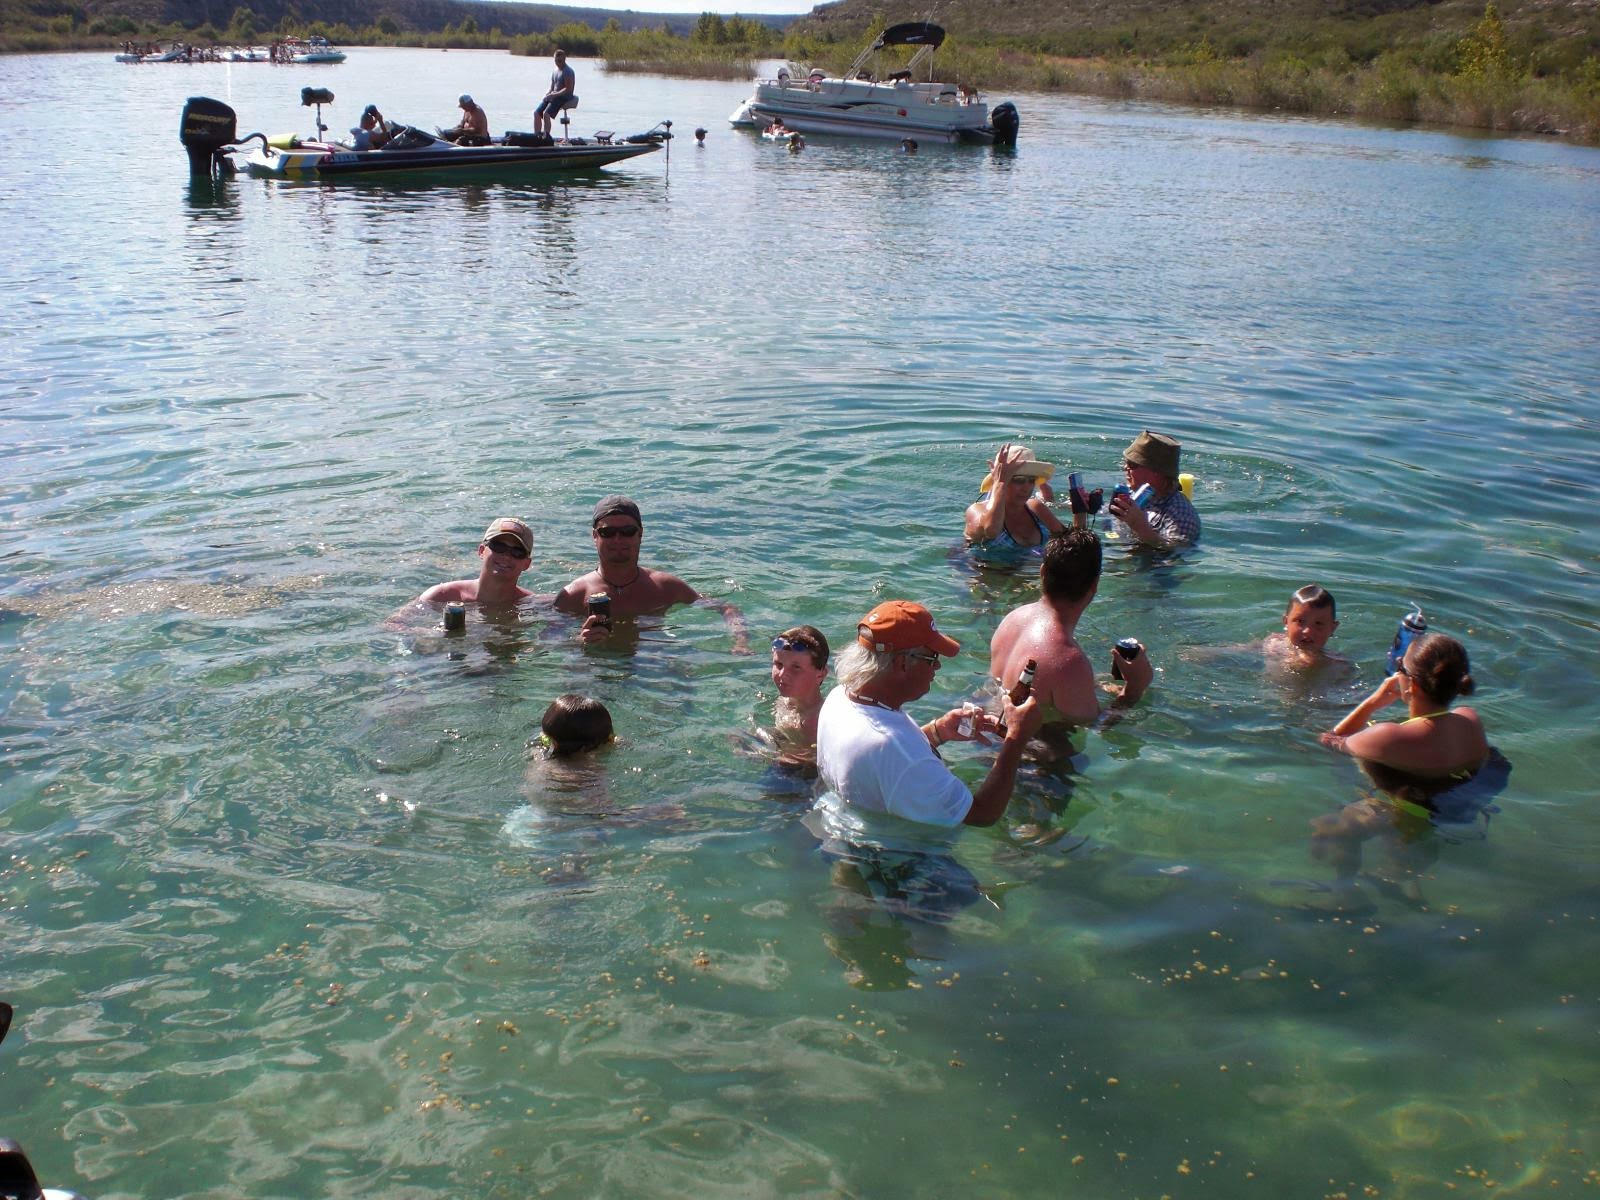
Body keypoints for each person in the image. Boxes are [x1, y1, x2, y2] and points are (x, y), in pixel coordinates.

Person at [815, 601, 1041, 828]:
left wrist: (937, 732)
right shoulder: (894, 748)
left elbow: (881, 765)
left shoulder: (840, 698)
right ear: (903, 663)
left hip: (841, 827)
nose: (938, 667)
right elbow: (982, 815)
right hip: (896, 856)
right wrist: (1016, 739)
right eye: (932, 658)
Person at [988, 528, 1153, 729]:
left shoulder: (1013, 619)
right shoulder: (1067, 661)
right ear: (1095, 584)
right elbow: (1096, 727)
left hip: (989, 727)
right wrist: (1134, 689)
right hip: (1028, 753)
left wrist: (1092, 685)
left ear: (1042, 573)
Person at [553, 495, 748, 651]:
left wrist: (740, 642)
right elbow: (548, 642)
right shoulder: (574, 595)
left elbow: (727, 609)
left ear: (640, 533)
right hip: (597, 666)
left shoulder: (665, 587)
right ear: (595, 536)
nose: (618, 539)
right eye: (608, 532)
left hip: (653, 662)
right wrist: (579, 641)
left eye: (628, 531)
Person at [1319, 633, 1487, 780]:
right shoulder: (1471, 719)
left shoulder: (1386, 737)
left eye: (1401, 666)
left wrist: (1371, 703)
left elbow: (1329, 741)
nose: (1397, 670)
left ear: (1412, 685)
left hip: (1402, 810)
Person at [964, 443, 1067, 562]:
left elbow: (1074, 545)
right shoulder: (976, 510)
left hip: (1033, 576)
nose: (1026, 487)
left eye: (1031, 480)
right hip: (988, 577)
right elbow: (991, 531)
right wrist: (1001, 482)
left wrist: (1081, 511)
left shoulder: (1035, 508)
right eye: (1019, 480)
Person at [409, 517, 536, 608]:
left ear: (526, 564)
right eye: (499, 547)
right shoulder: (440, 597)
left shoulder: (532, 605)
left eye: (517, 552)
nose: (507, 556)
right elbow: (396, 627)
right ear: (481, 551)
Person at [1108, 430, 1201, 548]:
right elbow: (1107, 521)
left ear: (1156, 472)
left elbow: (1176, 552)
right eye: (1125, 462)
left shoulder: (1181, 514)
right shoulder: (1130, 493)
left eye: (1132, 464)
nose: (1125, 468)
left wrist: (1141, 528)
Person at [769, 625, 830, 771]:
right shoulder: (784, 701)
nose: (783, 675)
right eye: (778, 664)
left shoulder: (820, 721)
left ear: (820, 674)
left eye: (796, 668)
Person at [1265, 584, 1344, 670]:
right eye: (1300, 621)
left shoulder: (1337, 663)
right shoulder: (1273, 643)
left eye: (1318, 623)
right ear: (1286, 622)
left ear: (1332, 628)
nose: (1307, 631)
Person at [534, 49, 576, 139]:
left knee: (546, 114)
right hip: (555, 95)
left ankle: (546, 137)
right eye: (556, 61)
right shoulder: (555, 71)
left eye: (560, 61)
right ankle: (536, 136)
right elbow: (552, 86)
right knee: (537, 113)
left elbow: (568, 89)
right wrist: (548, 94)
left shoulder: (567, 71)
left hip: (565, 96)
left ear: (564, 59)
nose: (557, 63)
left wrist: (554, 95)